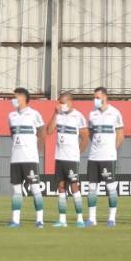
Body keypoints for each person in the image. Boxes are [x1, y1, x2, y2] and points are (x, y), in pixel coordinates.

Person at [48, 92, 89, 228]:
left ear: (70, 102)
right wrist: (55, 114)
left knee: (74, 186)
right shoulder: (58, 115)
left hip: (71, 159)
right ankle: (62, 220)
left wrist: (77, 153)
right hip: (59, 157)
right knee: (61, 187)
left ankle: (79, 219)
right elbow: (49, 131)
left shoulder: (78, 117)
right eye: (59, 102)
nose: (60, 105)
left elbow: (85, 137)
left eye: (62, 102)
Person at [7, 88, 46, 228]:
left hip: (30, 158)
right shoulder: (11, 116)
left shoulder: (34, 114)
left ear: (22, 98)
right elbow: (13, 135)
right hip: (15, 159)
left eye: (15, 97)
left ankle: (40, 220)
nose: (13, 99)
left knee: (35, 189)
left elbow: (42, 131)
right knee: (17, 191)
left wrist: (38, 148)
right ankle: (15, 221)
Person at [87, 87, 125, 226]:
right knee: (92, 188)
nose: (95, 100)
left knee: (110, 188)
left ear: (104, 97)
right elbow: (91, 134)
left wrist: (111, 150)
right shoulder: (91, 114)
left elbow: (120, 135)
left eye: (97, 97)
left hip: (108, 157)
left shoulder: (115, 113)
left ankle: (112, 218)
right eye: (94, 97)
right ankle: (91, 218)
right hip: (93, 157)